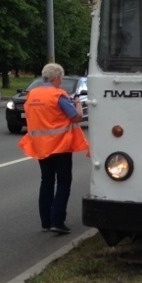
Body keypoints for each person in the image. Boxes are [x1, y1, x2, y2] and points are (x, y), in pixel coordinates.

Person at [19, 63, 89, 234]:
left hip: (41, 146)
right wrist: (78, 103)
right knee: (64, 182)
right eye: (61, 78)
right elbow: (76, 117)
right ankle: (57, 221)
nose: (61, 82)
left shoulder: (32, 95)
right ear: (57, 77)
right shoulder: (59, 95)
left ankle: (46, 222)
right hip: (60, 146)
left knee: (46, 182)